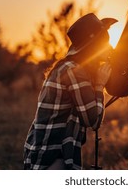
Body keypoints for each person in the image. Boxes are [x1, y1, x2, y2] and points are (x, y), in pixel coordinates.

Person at [23, 13, 117, 170]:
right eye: (104, 44)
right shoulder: (74, 71)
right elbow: (92, 120)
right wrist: (100, 85)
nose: (110, 48)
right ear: (93, 47)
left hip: (42, 152)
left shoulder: (67, 67)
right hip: (52, 157)